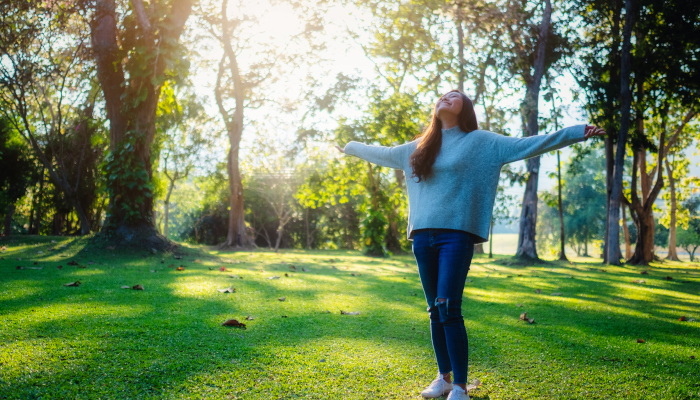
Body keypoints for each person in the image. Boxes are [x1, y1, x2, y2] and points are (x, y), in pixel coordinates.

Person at [335, 89, 606, 400]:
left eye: (454, 95)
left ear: (465, 109)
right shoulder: (418, 148)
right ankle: (444, 378)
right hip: (422, 237)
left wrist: (576, 132)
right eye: (442, 96)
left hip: (456, 236)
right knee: (434, 311)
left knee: (447, 307)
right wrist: (350, 147)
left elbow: (529, 144)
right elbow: (381, 152)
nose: (446, 98)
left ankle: (461, 387)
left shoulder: (481, 142)